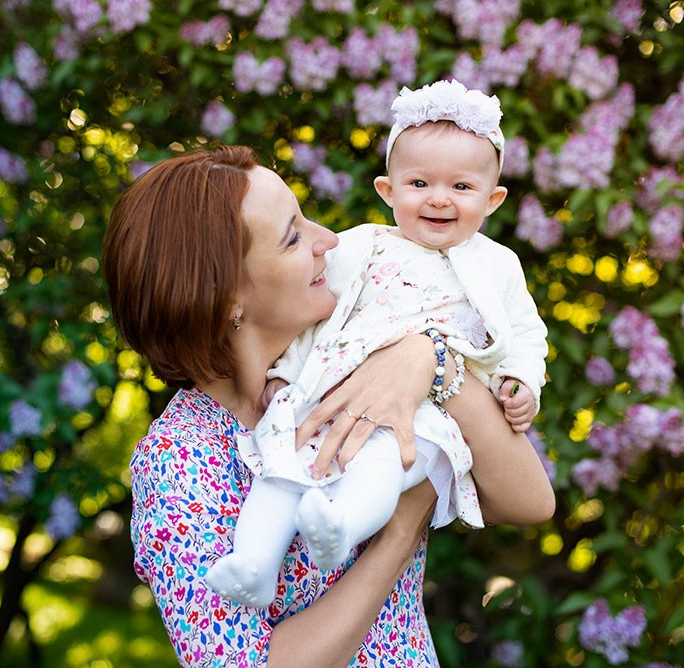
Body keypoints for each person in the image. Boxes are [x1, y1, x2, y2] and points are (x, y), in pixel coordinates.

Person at [102, 144, 555, 667]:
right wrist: (398, 535)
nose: (328, 240)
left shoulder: (350, 357)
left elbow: (529, 502)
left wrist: (432, 362)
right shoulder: (180, 460)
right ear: (228, 298)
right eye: (293, 236)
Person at [205, 80, 549, 608]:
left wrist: (521, 381)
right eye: (419, 183)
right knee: (282, 464)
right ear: (388, 191)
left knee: (384, 463)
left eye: (461, 187)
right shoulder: (362, 245)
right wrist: (287, 372)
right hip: (329, 390)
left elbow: (526, 332)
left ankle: (341, 527)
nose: (438, 198)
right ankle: (253, 565)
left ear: (493, 199)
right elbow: (318, 321)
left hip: (422, 415)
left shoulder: (497, 265)